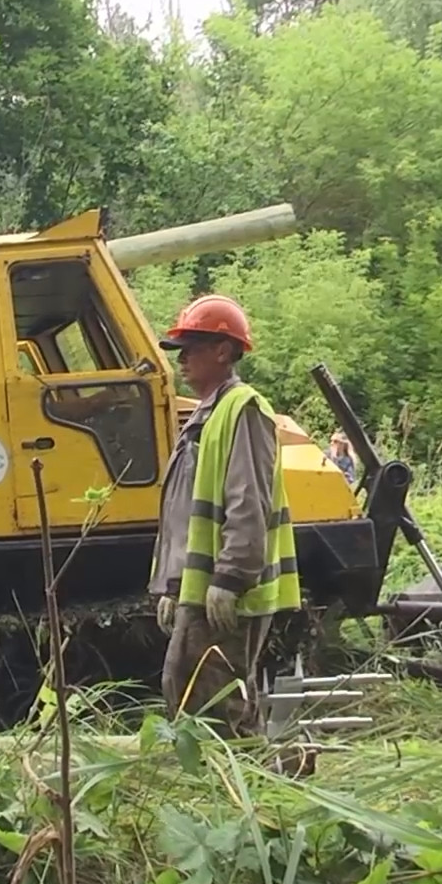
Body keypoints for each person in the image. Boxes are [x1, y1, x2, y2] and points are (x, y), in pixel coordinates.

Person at [148, 294, 300, 740]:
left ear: (222, 350)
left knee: (213, 709)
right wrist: (175, 585)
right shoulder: (205, 414)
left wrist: (230, 579)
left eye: (192, 347)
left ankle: (236, 799)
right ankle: (249, 792)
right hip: (200, 587)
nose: (182, 360)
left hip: (224, 588)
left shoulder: (243, 410)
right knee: (192, 692)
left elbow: (246, 502)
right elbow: (187, 514)